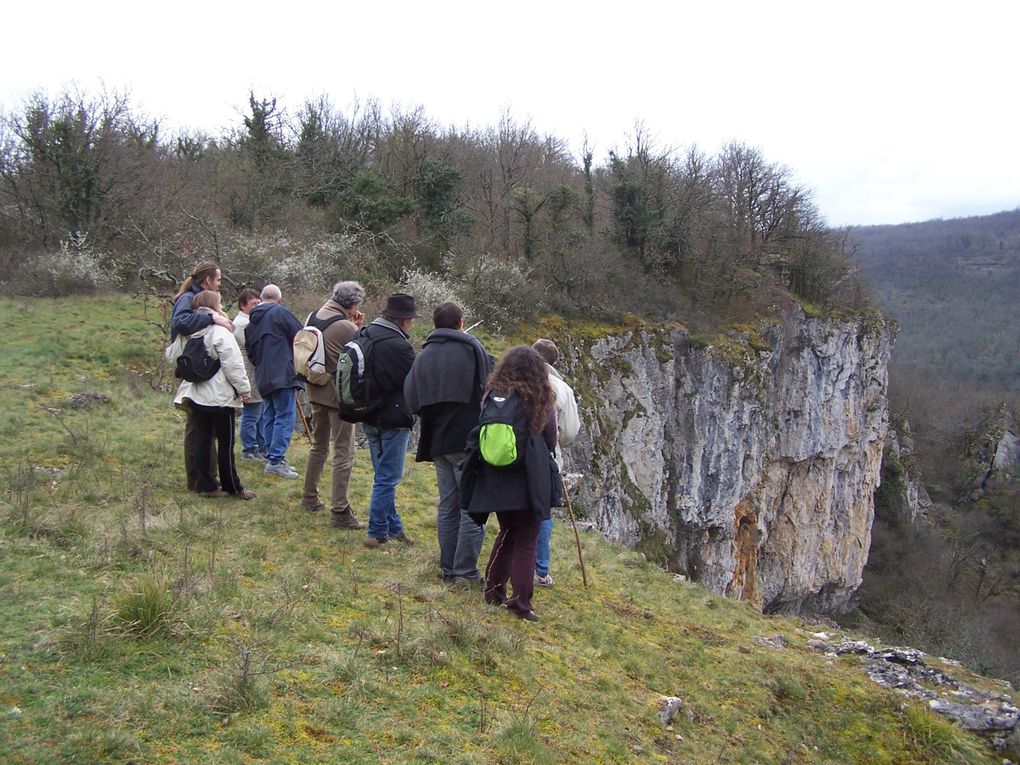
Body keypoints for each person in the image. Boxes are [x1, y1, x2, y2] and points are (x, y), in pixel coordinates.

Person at [462, 346, 557, 622]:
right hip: (529, 476)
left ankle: (493, 590)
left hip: (496, 475)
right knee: (527, 538)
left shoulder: (492, 396)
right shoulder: (540, 397)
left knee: (507, 532)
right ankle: (521, 602)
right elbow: (550, 437)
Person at [404, 301, 492, 584]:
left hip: (437, 440)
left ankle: (448, 568)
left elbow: (411, 397)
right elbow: (486, 388)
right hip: (467, 439)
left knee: (448, 506)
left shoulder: (424, 354)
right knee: (471, 506)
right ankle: (465, 571)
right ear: (460, 322)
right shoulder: (471, 348)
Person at [169, 290, 256, 500]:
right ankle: (233, 486)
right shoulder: (220, 330)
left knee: (202, 440)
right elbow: (233, 364)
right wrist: (244, 390)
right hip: (220, 396)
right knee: (225, 445)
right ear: (214, 306)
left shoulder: (189, 331)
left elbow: (172, 356)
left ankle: (204, 484)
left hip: (196, 393)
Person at [302, 280, 366, 529]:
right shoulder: (344, 325)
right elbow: (363, 349)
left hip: (315, 390)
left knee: (318, 446)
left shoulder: (314, 315)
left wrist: (353, 323)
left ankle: (309, 497)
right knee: (344, 452)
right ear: (352, 303)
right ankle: (340, 511)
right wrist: (356, 326)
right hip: (337, 398)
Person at [361, 293, 419, 548]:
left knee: (382, 475)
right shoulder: (398, 346)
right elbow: (414, 380)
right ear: (403, 320)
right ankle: (377, 532)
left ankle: (394, 527)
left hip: (367, 413)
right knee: (388, 477)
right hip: (393, 417)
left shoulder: (364, 333)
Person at [171, 262, 234, 491]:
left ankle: (207, 477)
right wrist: (212, 318)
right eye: (218, 280)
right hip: (198, 371)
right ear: (207, 280)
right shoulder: (188, 299)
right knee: (198, 428)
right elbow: (180, 323)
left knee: (202, 427)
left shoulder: (194, 298)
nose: (219, 284)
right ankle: (199, 479)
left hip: (199, 371)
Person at [531, 339, 581, 587]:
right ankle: (539, 570)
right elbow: (570, 431)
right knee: (542, 511)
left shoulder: (508, 377)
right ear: (552, 362)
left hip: (509, 452)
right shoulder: (561, 389)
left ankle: (508, 562)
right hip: (546, 458)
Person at [244, 284, 305, 479]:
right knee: (285, 416)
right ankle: (277, 460)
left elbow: (251, 354)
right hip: (283, 373)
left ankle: (272, 457)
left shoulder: (251, 323)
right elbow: (302, 336)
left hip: (263, 375)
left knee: (269, 414)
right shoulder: (281, 313)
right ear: (279, 299)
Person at [233, 288, 268, 461]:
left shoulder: (250, 322)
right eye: (253, 304)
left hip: (255, 371)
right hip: (248, 372)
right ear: (243, 305)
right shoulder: (241, 324)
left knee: (260, 411)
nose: (257, 307)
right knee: (251, 412)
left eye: (258, 303)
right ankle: (249, 449)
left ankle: (261, 447)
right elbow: (252, 345)